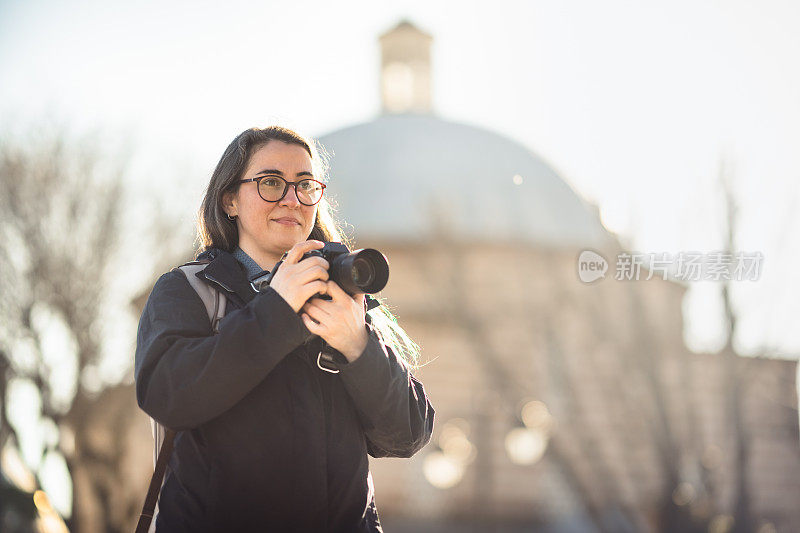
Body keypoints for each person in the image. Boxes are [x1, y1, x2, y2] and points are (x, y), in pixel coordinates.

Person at [134, 126, 435, 532]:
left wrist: (358, 345)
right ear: (230, 199)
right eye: (272, 183)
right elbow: (169, 395)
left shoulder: (344, 300)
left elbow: (407, 433)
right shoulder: (188, 291)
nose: (292, 199)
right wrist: (277, 309)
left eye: (306, 185)